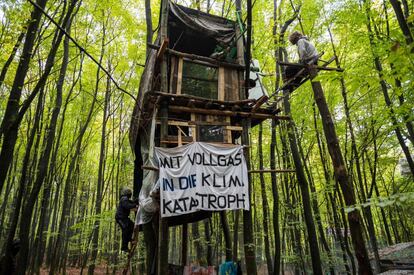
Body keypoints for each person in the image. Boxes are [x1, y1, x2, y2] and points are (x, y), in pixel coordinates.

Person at [115, 187, 138, 252]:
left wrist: (136, 201)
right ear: (128, 194)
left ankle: (130, 239)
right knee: (125, 229)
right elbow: (127, 206)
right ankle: (124, 247)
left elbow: (131, 202)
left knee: (132, 226)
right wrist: (135, 206)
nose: (130, 194)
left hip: (124, 218)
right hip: (120, 218)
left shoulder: (125, 199)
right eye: (130, 193)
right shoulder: (124, 199)